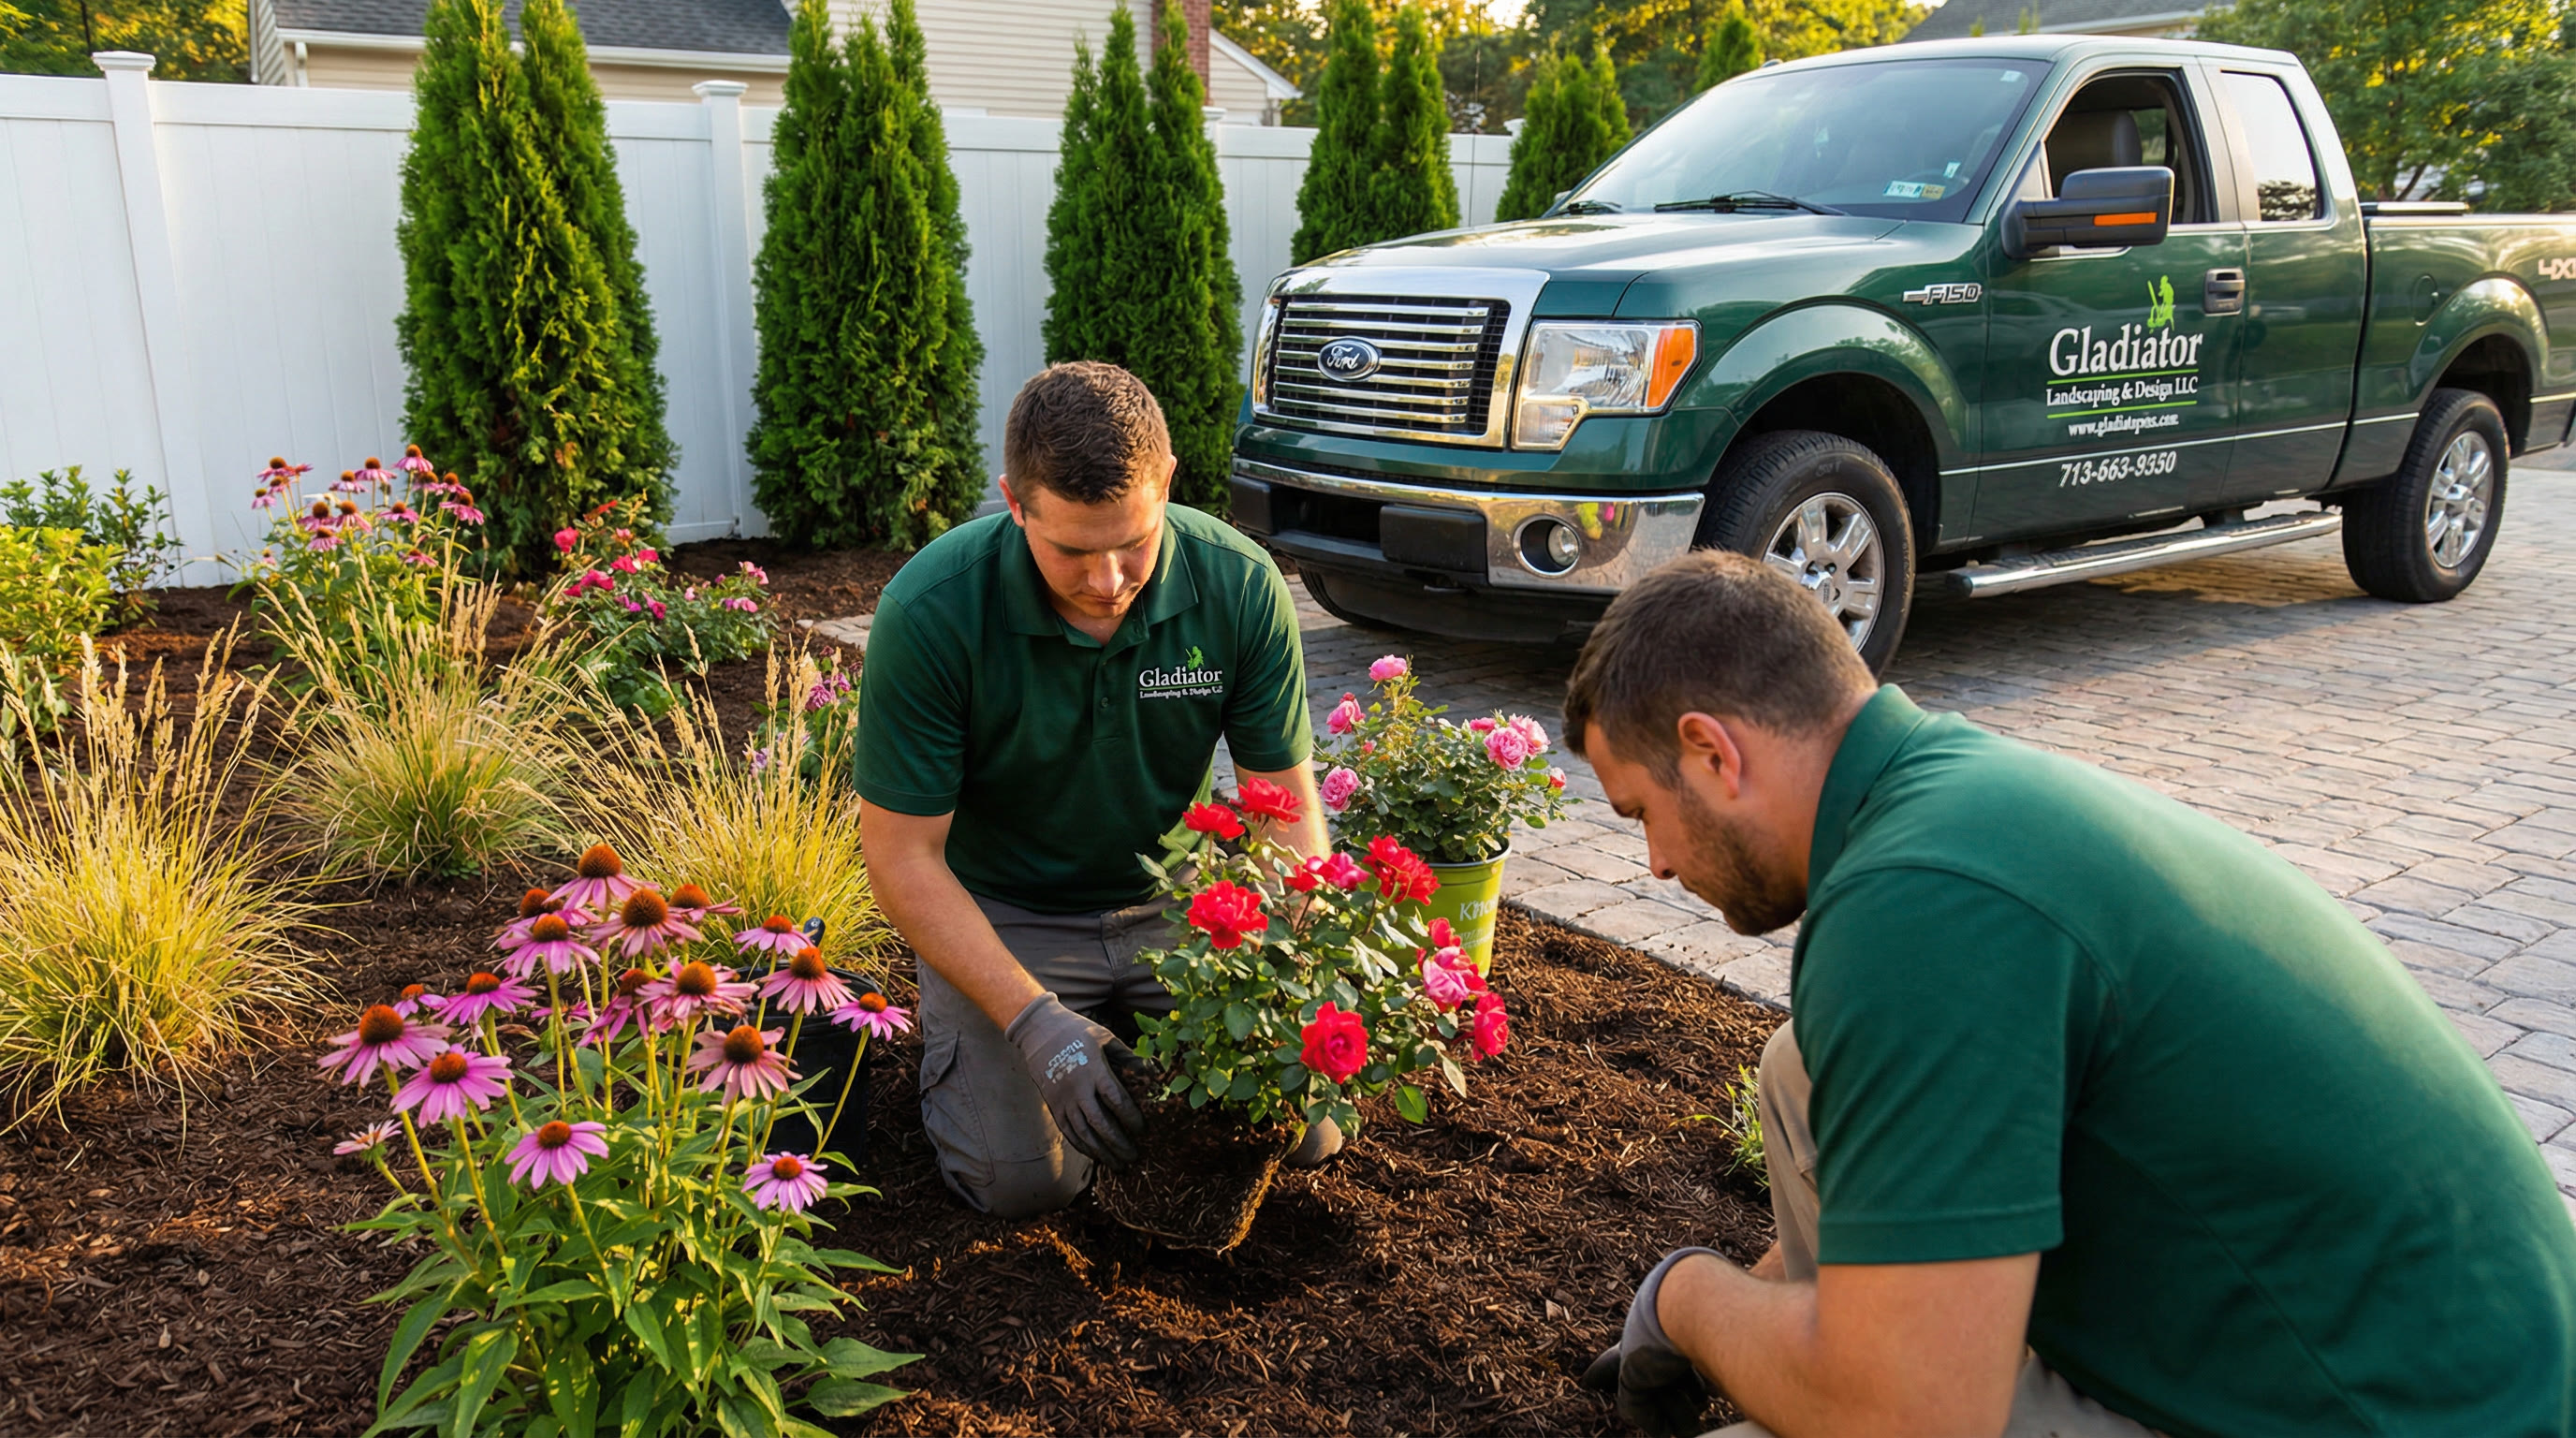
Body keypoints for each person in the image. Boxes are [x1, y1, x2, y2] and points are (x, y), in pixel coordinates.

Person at [1569, 550, 2576, 1438]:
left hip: (2413, 1413)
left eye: (1641, 813)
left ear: (1711, 752)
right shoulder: (1956, 803)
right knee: (1802, 1069)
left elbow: (1913, 1421)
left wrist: (1687, 1301)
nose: (1654, 863)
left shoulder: (1922, 907)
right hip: (2401, 1350)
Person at [855, 361, 1334, 1219]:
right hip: (1007, 918)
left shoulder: (1239, 584)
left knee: (1306, 1133)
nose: (1109, 581)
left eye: (1134, 543)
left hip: (1179, 910)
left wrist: (1280, 975)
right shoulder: (932, 611)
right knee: (1026, 1186)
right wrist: (1034, 1024)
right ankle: (979, 1054)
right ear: (1014, 501)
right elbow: (902, 857)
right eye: (1072, 550)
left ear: (1168, 487)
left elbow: (1287, 808)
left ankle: (1129, 1041)